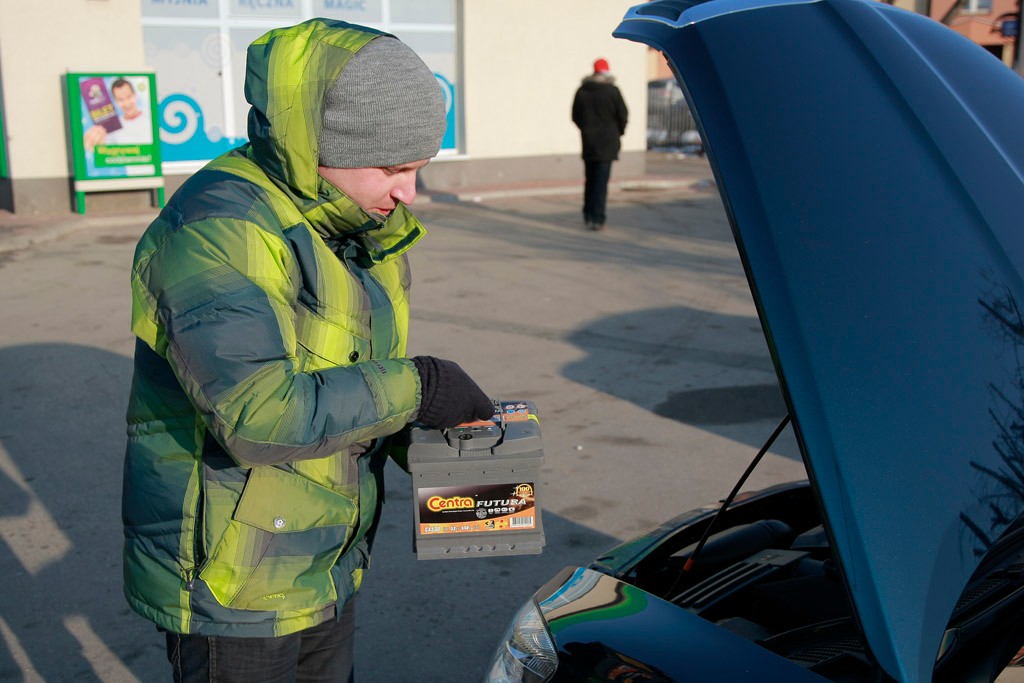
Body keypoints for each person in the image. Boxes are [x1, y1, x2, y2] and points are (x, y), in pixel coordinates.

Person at [122, 19, 494, 683]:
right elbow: (259, 415)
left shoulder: (356, 221)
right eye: (394, 167)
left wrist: (435, 438)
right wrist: (420, 386)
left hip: (320, 554)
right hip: (237, 580)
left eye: (419, 168)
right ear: (320, 143)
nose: (409, 191)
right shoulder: (220, 228)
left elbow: (345, 383)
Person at [572, 58, 628, 231]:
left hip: (589, 142)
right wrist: (618, 132)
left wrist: (586, 129)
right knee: (601, 182)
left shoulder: (582, 91)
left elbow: (575, 116)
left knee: (590, 180)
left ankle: (588, 214)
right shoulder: (613, 91)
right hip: (608, 143)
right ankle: (598, 218)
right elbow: (623, 115)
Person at [83, 78, 152, 150]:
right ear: (116, 102)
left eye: (129, 97)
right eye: (121, 100)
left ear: (135, 95)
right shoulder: (113, 128)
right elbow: (103, 151)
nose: (127, 104)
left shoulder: (150, 117)